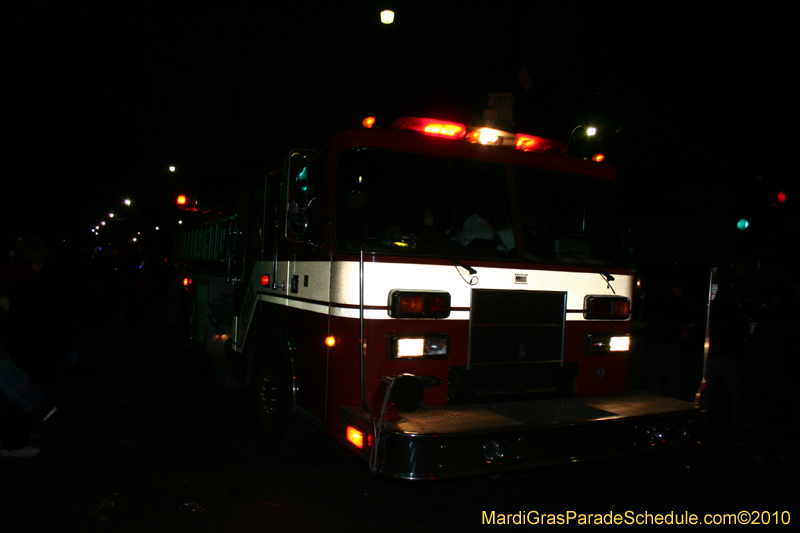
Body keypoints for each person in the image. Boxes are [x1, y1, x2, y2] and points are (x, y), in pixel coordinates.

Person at [643, 276, 690, 399]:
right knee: (672, 373)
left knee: (655, 372)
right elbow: (681, 319)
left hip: (655, 341)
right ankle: (671, 397)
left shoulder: (657, 300)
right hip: (670, 342)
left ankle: (653, 395)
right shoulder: (677, 302)